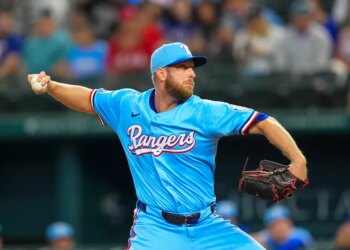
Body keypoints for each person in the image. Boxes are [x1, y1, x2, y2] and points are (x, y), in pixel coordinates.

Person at [27, 42, 308, 249]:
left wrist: (298, 160)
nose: (192, 73)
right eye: (182, 67)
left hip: (208, 225)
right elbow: (87, 98)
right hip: (155, 228)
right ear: (160, 74)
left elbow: (263, 122)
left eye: (192, 68)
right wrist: (51, 85)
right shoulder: (128, 105)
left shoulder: (205, 111)